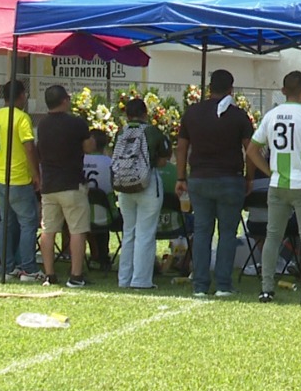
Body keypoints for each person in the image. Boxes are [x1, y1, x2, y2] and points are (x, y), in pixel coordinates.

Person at [247, 70, 301, 304]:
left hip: (278, 183)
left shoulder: (271, 115)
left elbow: (252, 151)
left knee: (273, 236)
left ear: (282, 91)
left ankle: (266, 289)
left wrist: (268, 170)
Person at [178, 69, 256, 299]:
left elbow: (182, 147)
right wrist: (249, 178)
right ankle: (223, 284)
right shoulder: (239, 116)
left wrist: (181, 177)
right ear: (231, 89)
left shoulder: (192, 113)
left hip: (199, 178)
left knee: (202, 231)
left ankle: (200, 284)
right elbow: (250, 151)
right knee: (227, 233)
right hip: (229, 179)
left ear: (209, 87)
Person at [35, 85, 94, 287]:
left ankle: (49, 274)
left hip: (49, 184)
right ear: (64, 101)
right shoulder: (76, 123)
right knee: (77, 229)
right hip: (71, 183)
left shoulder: (42, 124)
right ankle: (76, 275)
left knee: (48, 229)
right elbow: (88, 147)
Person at [113, 97, 171, 290]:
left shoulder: (121, 132)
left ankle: (124, 279)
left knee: (129, 232)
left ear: (127, 115)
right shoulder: (151, 131)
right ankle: (141, 280)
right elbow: (163, 160)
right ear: (145, 113)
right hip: (147, 184)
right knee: (145, 233)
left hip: (123, 186)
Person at [0, 80, 42, 281]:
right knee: (28, 222)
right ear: (21, 95)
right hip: (18, 178)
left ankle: (7, 267)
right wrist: (36, 174)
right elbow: (29, 147)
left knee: (6, 222)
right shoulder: (21, 118)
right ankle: (28, 268)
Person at [83, 129, 115, 269]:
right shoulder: (109, 162)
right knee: (104, 221)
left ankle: (92, 255)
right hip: (106, 214)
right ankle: (103, 256)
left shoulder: (80, 160)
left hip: (80, 212)